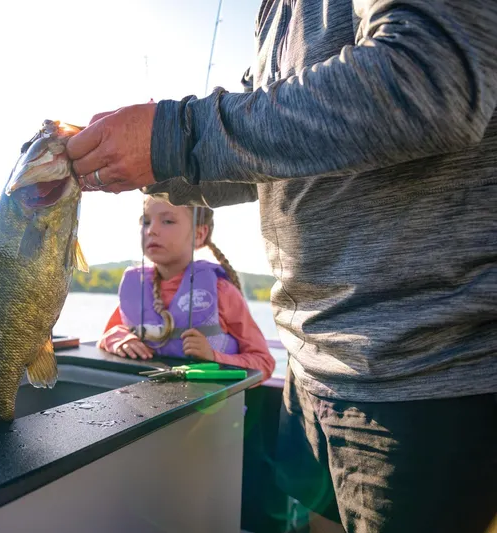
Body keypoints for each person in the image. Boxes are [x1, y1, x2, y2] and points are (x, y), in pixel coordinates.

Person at [65, 2, 497, 533]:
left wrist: (170, 136)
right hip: (308, 363)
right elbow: (257, 151)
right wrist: (151, 162)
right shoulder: (271, 13)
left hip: (419, 374)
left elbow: (430, 78)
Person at [97, 196, 275, 383]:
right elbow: (109, 335)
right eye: (146, 221)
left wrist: (214, 357)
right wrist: (119, 340)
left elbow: (264, 363)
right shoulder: (138, 288)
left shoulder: (222, 290)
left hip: (209, 409)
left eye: (168, 221)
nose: (152, 230)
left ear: (199, 235)